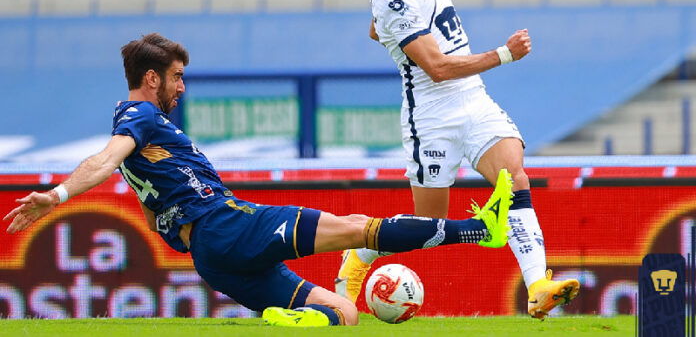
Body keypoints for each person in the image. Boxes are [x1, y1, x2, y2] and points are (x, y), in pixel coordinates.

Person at [3, 33, 514, 327]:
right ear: (153, 79)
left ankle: (297, 322)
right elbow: (106, 159)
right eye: (177, 77)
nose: (181, 87)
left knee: (345, 313)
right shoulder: (140, 118)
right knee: (358, 227)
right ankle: (480, 232)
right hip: (225, 226)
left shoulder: (141, 126)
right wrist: (58, 194)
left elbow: (126, 168)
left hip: (212, 259)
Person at [335, 0, 580, 320]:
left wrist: (391, 35)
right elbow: (438, 68)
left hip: (473, 101)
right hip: (431, 117)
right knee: (429, 225)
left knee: (513, 174)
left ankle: (537, 286)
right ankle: (359, 253)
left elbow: (377, 29)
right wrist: (504, 54)